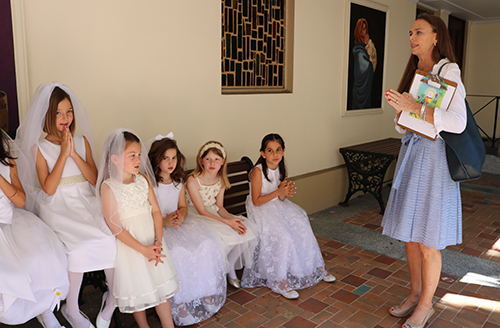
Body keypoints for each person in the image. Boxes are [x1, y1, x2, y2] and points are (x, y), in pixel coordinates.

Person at [382, 13, 466, 328]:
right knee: (410, 236)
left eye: (419, 31)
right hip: (412, 157)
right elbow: (407, 127)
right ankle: (415, 293)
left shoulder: (449, 70)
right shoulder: (416, 72)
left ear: (435, 36)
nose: (412, 37)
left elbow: (458, 122)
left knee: (428, 240)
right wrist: (400, 111)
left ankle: (426, 305)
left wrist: (414, 107)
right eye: (410, 32)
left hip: (436, 162)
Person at [15, 83, 116, 328]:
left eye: (69, 111)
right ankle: (71, 309)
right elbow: (49, 188)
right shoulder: (39, 148)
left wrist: (73, 153)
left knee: (110, 239)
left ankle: (113, 299)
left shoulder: (82, 142)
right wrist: (62, 154)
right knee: (78, 247)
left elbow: (94, 179)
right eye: (58, 113)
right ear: (48, 116)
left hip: (86, 201)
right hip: (59, 206)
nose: (65, 118)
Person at [98, 129, 178, 328]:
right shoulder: (108, 188)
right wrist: (143, 250)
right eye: (132, 156)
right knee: (139, 290)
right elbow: (115, 227)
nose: (137, 160)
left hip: (153, 241)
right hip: (131, 249)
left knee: (161, 290)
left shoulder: (143, 179)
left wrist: (158, 241)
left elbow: (156, 213)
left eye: (139, 155)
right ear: (115, 159)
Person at [241, 133, 336, 299]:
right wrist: (279, 191)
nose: (275, 154)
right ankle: (280, 279)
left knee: (301, 222)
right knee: (283, 234)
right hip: (261, 208)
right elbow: (256, 201)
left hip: (275, 204)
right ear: (263, 153)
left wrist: (285, 191)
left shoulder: (280, 168)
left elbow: (281, 198)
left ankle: (316, 267)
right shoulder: (257, 172)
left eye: (278, 150)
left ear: (283, 151)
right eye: (270, 150)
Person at [148, 133, 226, 326]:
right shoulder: (150, 183)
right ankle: (180, 303)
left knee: (206, 244)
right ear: (156, 159)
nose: (170, 162)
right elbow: (146, 213)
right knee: (178, 252)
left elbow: (183, 206)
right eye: (165, 158)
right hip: (160, 228)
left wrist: (181, 216)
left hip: (179, 224)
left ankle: (205, 294)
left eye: (174, 157)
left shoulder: (178, 181)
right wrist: (164, 221)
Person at [0, 130, 69, 328]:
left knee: (41, 258)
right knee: (9, 275)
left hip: (13, 223)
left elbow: (21, 201)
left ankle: (45, 310)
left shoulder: (7, 163)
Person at [185, 141, 256, 289]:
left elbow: (220, 207)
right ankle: (215, 272)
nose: (212, 163)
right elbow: (202, 211)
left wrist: (232, 219)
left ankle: (230, 267)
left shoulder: (221, 179)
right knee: (222, 238)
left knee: (245, 230)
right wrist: (227, 223)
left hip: (213, 212)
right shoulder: (193, 180)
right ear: (201, 161)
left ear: (223, 162)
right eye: (208, 159)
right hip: (197, 215)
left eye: (217, 159)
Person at [352, 18, 377, 109]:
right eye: (362, 29)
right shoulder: (358, 49)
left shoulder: (367, 44)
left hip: (367, 86)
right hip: (360, 88)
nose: (364, 31)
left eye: (365, 28)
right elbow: (364, 67)